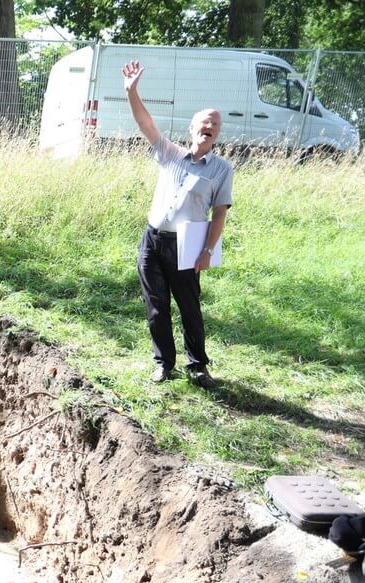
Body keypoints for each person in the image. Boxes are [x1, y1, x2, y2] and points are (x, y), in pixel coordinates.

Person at [122, 59, 233, 389]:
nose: (208, 125)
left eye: (214, 123)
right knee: (156, 307)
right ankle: (163, 364)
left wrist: (208, 250)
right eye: (203, 121)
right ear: (192, 128)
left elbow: (220, 214)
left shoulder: (221, 169)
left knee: (189, 307)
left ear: (217, 134)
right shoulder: (170, 154)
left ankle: (198, 366)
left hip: (188, 244)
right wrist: (131, 92)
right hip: (152, 241)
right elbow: (147, 125)